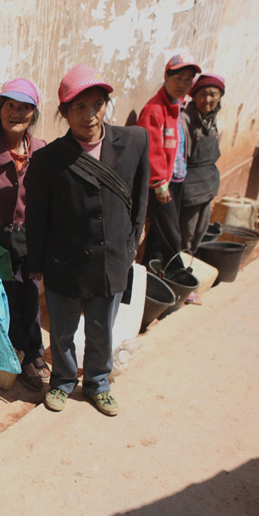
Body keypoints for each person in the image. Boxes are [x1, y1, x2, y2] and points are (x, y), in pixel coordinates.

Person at [24, 64, 150, 417]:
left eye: (97, 104)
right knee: (62, 330)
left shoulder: (134, 141)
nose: (89, 115)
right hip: (63, 261)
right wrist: (36, 264)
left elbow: (140, 197)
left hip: (111, 258)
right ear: (64, 113)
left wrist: (130, 245)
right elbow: (37, 216)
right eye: (78, 107)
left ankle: (98, 383)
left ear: (106, 105)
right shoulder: (47, 159)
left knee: (101, 329)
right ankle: (63, 381)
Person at [0, 78, 50, 391]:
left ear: (33, 114)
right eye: (10, 106)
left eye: (24, 108)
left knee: (31, 294)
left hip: (28, 236)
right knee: (8, 298)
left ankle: (34, 350)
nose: (16, 113)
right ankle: (21, 358)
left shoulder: (40, 149)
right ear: (0, 109)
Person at [138, 54, 200, 265]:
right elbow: (151, 149)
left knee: (160, 233)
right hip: (161, 185)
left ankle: (153, 269)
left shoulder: (178, 105)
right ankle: (177, 271)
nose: (182, 84)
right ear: (166, 77)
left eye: (188, 80)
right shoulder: (154, 110)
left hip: (175, 179)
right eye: (178, 78)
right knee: (171, 233)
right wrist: (159, 183)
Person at [179, 73, 225, 253]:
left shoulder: (213, 120)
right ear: (194, 96)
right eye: (202, 94)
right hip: (191, 183)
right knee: (187, 230)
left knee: (201, 228)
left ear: (220, 96)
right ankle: (181, 259)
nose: (207, 100)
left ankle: (192, 256)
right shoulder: (185, 119)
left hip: (209, 181)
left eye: (213, 94)